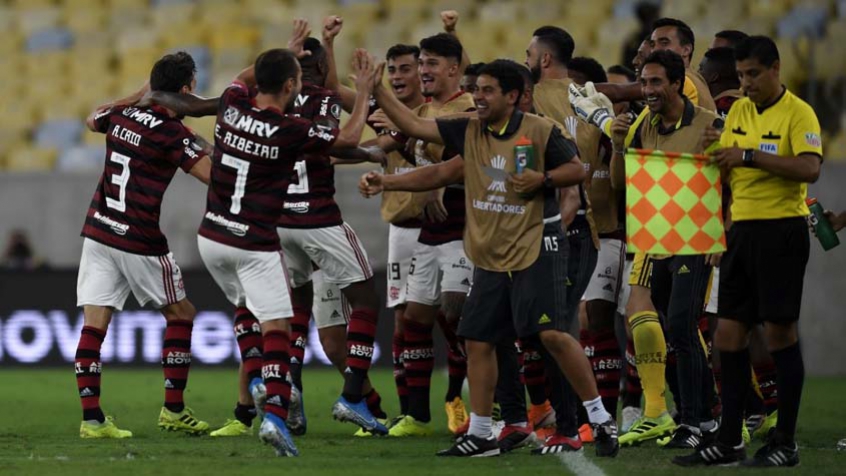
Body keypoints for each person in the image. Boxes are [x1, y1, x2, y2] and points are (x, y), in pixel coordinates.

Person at [363, 58, 620, 458]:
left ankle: (599, 417)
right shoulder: (470, 131)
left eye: (486, 91)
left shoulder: (539, 131)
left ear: (512, 96)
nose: (477, 98)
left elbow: (574, 170)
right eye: (476, 90)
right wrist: (375, 93)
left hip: (536, 245)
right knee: (478, 338)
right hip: (492, 252)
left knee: (551, 334)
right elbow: (421, 139)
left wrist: (543, 180)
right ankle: (483, 432)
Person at [196, 46, 377, 456]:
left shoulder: (231, 103)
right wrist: (364, 91)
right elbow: (348, 139)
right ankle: (275, 415)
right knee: (279, 327)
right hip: (255, 241)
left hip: (211, 236)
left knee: (248, 309)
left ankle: (259, 386)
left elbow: (242, 78)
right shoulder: (291, 129)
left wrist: (279, 55)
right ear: (292, 85)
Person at [678, 35, 823, 468]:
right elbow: (729, 163)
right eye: (740, 75)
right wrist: (713, 151)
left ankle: (786, 441)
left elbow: (810, 168)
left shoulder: (799, 112)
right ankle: (729, 441)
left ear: (776, 69)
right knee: (727, 335)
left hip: (782, 232)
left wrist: (749, 156)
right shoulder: (737, 111)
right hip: (739, 231)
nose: (745, 84)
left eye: (753, 74)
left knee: (778, 334)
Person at [74, 52, 212, 439]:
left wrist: (138, 96)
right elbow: (211, 177)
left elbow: (92, 118)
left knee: (94, 325)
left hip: (99, 230)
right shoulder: (171, 133)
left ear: (151, 87)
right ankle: (173, 409)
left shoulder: (120, 115)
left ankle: (92, 420)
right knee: (182, 315)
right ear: (186, 90)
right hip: (138, 239)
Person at [373, 32, 477, 438]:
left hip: (463, 231)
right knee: (415, 319)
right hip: (430, 234)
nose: (423, 71)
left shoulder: (467, 109)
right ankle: (417, 415)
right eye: (423, 63)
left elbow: (459, 165)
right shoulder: (425, 110)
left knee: (458, 316)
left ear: (453, 69)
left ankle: (479, 400)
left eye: (431, 63)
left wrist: (422, 183)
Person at [525, 26, 604, 452]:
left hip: (551, 225)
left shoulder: (532, 102)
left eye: (528, 54)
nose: (526, 61)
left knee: (554, 331)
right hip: (585, 229)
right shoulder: (593, 100)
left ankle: (571, 424)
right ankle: (572, 420)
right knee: (558, 329)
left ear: (543, 60)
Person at [568, 56, 627, 443]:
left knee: (597, 320)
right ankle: (596, 415)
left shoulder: (607, 127)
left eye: (574, 89)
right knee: (586, 321)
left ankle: (609, 411)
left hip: (615, 233)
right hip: (588, 232)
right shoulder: (572, 130)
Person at [650, 18, 716, 112]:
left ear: (686, 50)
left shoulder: (684, 81)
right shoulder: (692, 77)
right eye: (652, 45)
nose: (655, 50)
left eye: (664, 43)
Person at [699, 46, 743, 119]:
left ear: (713, 77)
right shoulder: (750, 104)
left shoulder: (721, 107)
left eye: (701, 69)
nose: (697, 73)